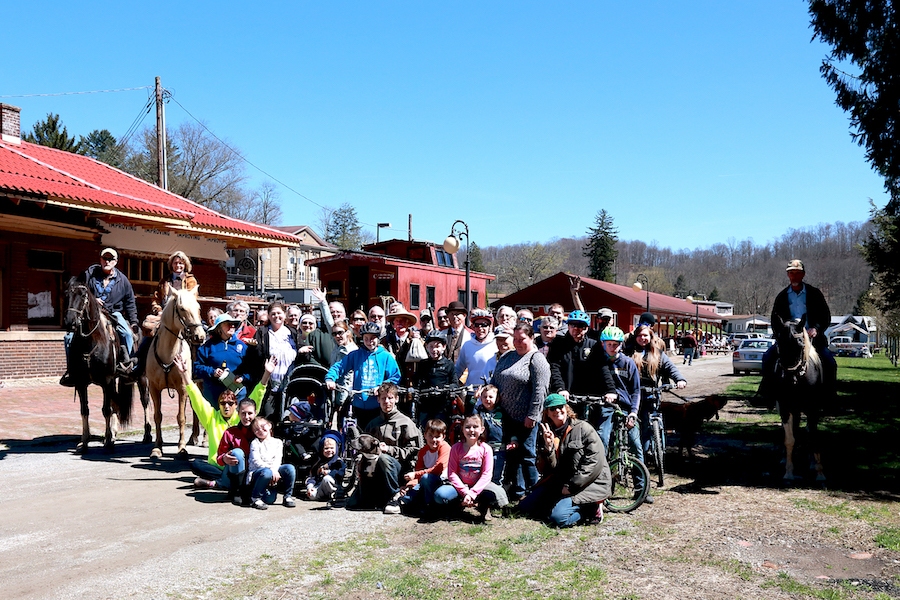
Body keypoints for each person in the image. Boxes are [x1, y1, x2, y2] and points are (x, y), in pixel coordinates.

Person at [519, 394, 611, 527]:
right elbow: (547, 469)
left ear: (566, 408)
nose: (557, 411)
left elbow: (594, 463)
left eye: (560, 407)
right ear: (547, 413)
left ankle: (591, 509)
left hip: (589, 484)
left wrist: (571, 486)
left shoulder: (583, 428)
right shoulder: (546, 432)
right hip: (562, 482)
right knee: (525, 507)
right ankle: (562, 504)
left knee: (558, 519)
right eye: (552, 409)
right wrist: (549, 448)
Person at [622, 315, 686, 504]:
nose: (643, 338)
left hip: (650, 396)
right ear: (635, 337)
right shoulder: (627, 352)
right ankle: (637, 479)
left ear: (651, 337)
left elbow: (671, 368)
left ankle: (649, 459)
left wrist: (679, 379)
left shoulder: (658, 354)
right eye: (640, 335)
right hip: (632, 398)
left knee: (647, 433)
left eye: (646, 336)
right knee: (636, 440)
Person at [189, 354, 276, 491]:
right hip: (219, 465)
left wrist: (266, 374)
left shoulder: (242, 417)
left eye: (230, 403)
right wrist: (185, 377)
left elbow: (257, 395)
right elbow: (196, 398)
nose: (226, 406)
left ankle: (218, 483)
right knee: (195, 464)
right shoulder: (211, 417)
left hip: (239, 465)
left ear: (236, 405)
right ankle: (223, 481)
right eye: (223, 403)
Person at [489, 322, 550, 501]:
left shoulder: (536, 359)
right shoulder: (507, 356)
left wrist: (533, 414)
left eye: (522, 339)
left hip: (526, 418)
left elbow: (541, 389)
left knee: (527, 456)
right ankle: (517, 492)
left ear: (531, 338)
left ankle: (536, 493)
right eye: (514, 339)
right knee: (511, 456)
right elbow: (495, 380)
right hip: (504, 416)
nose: (517, 343)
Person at [61, 247, 138, 384]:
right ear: (100, 259)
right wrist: (92, 299)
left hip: (113, 313)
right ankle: (72, 371)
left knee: (126, 333)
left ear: (116, 262)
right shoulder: (89, 274)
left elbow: (130, 302)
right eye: (105, 258)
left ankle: (127, 366)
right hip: (91, 313)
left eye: (110, 259)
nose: (107, 261)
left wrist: (133, 321)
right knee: (69, 337)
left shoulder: (123, 280)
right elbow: (80, 290)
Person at [761, 259, 837, 394]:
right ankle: (767, 394)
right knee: (767, 357)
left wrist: (816, 329)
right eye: (791, 273)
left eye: (797, 273)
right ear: (788, 275)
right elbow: (775, 319)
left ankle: (829, 396)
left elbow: (825, 315)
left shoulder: (814, 293)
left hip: (812, 340)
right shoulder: (782, 296)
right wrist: (781, 333)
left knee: (830, 362)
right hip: (789, 340)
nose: (794, 276)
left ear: (803, 275)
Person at [347, 382, 423, 514]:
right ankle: (369, 495)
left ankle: (395, 496)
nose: (386, 402)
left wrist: (389, 449)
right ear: (378, 400)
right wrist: (359, 459)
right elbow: (363, 447)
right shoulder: (373, 424)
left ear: (396, 399)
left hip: (398, 469)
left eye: (390, 398)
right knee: (353, 504)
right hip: (374, 469)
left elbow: (415, 451)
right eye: (383, 398)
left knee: (383, 458)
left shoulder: (406, 423)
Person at [325, 321, 403, 429]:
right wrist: (330, 378)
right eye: (366, 338)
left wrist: (382, 388)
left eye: (372, 338)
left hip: (377, 405)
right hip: (358, 404)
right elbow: (339, 367)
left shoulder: (385, 356)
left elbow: (395, 376)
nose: (369, 341)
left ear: (378, 338)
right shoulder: (355, 355)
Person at [597, 326, 645, 496]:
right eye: (609, 344)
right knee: (602, 440)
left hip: (626, 409)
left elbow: (636, 390)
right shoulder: (598, 362)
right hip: (605, 408)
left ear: (621, 345)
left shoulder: (628, 363)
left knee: (635, 444)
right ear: (603, 344)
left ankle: (641, 487)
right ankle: (602, 485)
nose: (612, 347)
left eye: (616, 344)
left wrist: (633, 412)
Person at [434, 414, 509, 521]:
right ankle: (456, 505)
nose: (471, 430)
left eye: (475, 427)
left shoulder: (486, 449)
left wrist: (472, 493)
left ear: (482, 429)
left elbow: (486, 475)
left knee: (497, 493)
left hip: (479, 486)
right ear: (463, 429)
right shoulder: (456, 448)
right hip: (460, 486)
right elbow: (452, 473)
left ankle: (484, 507)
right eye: (468, 427)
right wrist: (465, 492)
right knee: (440, 495)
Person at [243, 300, 299, 417]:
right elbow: (254, 358)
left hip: (289, 385)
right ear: (268, 316)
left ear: (284, 314)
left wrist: (302, 351)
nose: (276, 316)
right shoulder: (262, 332)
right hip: (270, 385)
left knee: (288, 418)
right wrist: (254, 347)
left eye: (279, 313)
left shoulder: (292, 333)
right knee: (269, 418)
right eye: (273, 314)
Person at [547, 310, 616, 402]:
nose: (576, 328)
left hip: (589, 396)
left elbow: (603, 368)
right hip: (565, 395)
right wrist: (560, 388)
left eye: (580, 326)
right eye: (573, 325)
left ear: (586, 328)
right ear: (568, 326)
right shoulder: (558, 344)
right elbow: (554, 368)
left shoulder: (594, 345)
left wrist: (611, 390)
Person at [194, 313, 248, 408]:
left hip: (236, 393)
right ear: (219, 328)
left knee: (236, 421)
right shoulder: (207, 347)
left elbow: (251, 368)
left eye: (234, 324)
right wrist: (212, 371)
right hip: (213, 393)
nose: (232, 326)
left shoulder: (242, 346)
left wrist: (242, 377)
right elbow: (197, 367)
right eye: (228, 323)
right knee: (213, 421)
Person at [400, 419, 451, 516]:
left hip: (442, 480)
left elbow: (437, 470)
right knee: (406, 496)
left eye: (437, 437)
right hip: (426, 481)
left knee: (426, 478)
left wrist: (415, 474)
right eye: (430, 436)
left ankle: (429, 506)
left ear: (443, 437)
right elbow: (418, 471)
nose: (433, 440)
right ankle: (416, 501)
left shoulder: (445, 448)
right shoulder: (423, 451)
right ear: (425, 436)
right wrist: (410, 484)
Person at [215, 397, 260, 505]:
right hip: (232, 477)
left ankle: (250, 490)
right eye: (243, 413)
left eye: (250, 413)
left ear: (255, 413)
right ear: (238, 413)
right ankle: (237, 492)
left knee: (269, 498)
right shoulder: (230, 433)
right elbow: (219, 459)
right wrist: (224, 458)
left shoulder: (261, 432)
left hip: (253, 474)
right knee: (237, 453)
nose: (246, 417)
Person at [246, 416, 297, 509]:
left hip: (273, 470)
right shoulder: (255, 442)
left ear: (269, 425)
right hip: (259, 473)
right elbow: (256, 461)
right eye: (256, 430)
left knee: (290, 468)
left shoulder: (278, 442)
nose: (260, 430)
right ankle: (255, 498)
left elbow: (278, 459)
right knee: (266, 472)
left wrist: (274, 470)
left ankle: (288, 496)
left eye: (262, 426)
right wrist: (271, 470)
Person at [413, 331, 458, 427]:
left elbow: (455, 382)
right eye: (431, 346)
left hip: (442, 405)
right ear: (426, 347)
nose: (434, 349)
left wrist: (449, 388)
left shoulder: (448, 364)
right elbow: (416, 382)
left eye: (437, 346)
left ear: (444, 347)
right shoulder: (423, 364)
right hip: (425, 405)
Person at [455, 308, 496, 389]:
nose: (480, 328)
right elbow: (458, 369)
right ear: (473, 326)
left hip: (490, 394)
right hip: (471, 392)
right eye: (477, 325)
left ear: (489, 326)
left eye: (484, 325)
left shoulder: (496, 344)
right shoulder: (467, 345)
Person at [382, 304, 420, 386]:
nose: (400, 323)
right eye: (397, 320)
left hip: (411, 384)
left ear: (408, 323)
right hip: (391, 384)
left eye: (403, 320)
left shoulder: (416, 341)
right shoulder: (385, 342)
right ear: (393, 324)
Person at [475, 384, 504, 484]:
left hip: (499, 449)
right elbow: (470, 414)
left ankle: (497, 495)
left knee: (497, 474)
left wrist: (513, 439)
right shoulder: (479, 411)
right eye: (484, 397)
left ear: (497, 398)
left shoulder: (502, 412)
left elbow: (509, 427)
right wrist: (475, 399)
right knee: (483, 472)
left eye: (490, 397)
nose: (487, 399)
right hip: (484, 448)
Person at [305, 432, 345, 501]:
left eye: (332, 448)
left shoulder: (338, 462)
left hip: (333, 485)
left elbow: (340, 473)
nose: (329, 450)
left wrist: (329, 473)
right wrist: (310, 487)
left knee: (327, 479)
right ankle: (323, 496)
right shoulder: (319, 462)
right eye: (326, 448)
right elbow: (312, 476)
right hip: (320, 486)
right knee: (311, 495)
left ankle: (335, 493)